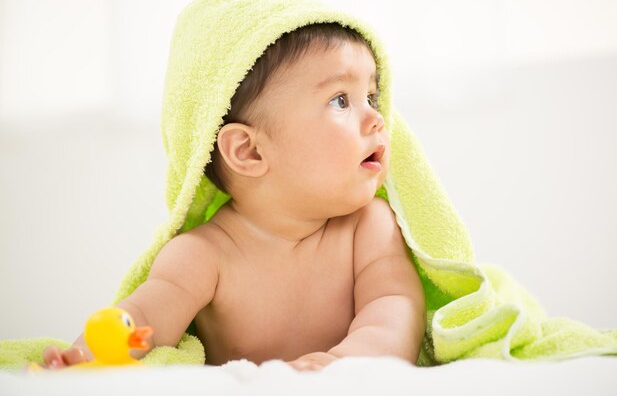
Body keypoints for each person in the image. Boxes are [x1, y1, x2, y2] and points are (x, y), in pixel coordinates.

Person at [40, 21, 425, 372]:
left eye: (371, 97)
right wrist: (88, 357)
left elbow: (395, 312)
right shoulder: (204, 255)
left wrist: (339, 365)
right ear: (249, 151)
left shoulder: (370, 227)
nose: (377, 119)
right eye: (341, 100)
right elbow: (141, 321)